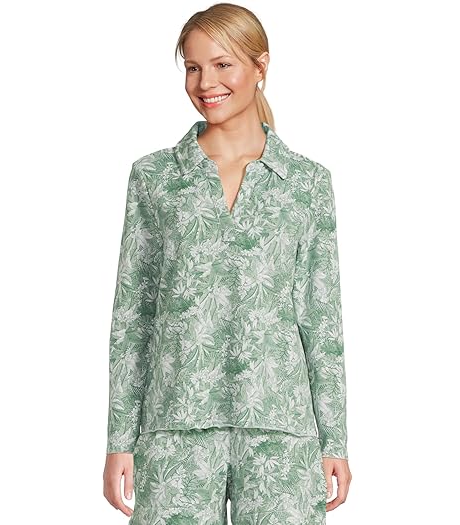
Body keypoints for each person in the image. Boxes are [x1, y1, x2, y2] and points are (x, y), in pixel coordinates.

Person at [102, 3, 352, 523]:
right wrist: (119, 439)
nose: (205, 82)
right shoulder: (155, 178)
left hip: (281, 429)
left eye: (222, 64)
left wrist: (334, 441)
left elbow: (321, 319)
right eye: (193, 67)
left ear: (261, 66)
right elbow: (133, 317)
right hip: (175, 427)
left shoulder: (306, 183)